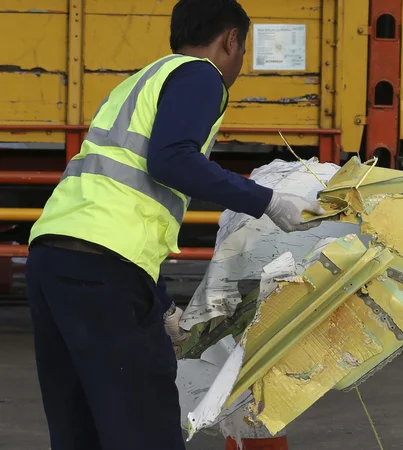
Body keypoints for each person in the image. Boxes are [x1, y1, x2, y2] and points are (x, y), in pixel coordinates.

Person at [24, 1, 325, 449]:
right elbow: (172, 160)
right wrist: (269, 200)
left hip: (53, 261)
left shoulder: (140, 81)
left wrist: (160, 304)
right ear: (231, 40)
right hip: (104, 270)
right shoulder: (200, 76)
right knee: (145, 427)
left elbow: (121, 200)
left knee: (79, 426)